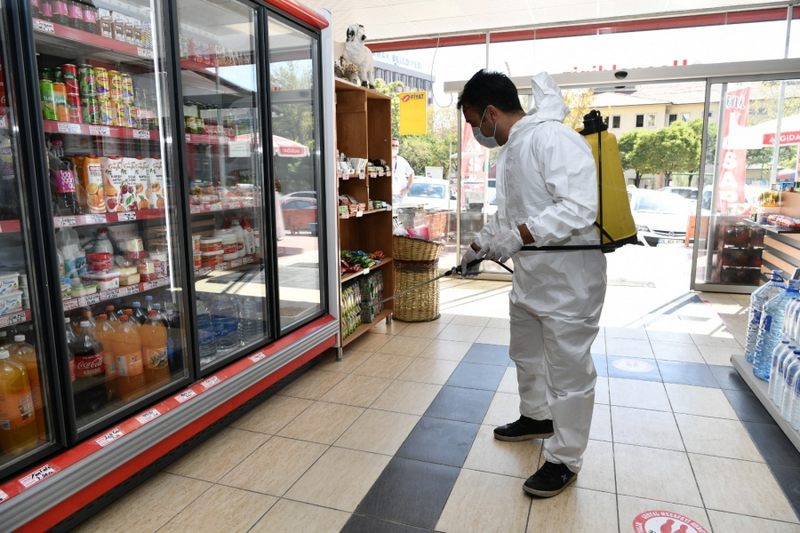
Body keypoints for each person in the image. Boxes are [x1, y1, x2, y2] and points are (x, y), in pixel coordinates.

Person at [458, 70, 607, 498]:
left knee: (569, 372)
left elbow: (579, 208)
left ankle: (565, 458)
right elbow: (511, 215)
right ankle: (536, 417)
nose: (475, 132)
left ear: (490, 112)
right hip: (531, 280)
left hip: (569, 283)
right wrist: (480, 244)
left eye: (473, 122)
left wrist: (520, 236)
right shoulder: (512, 150)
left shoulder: (552, 139)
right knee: (526, 354)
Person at [391, 137, 414, 204]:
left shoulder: (402, 160)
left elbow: (411, 174)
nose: (395, 147)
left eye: (396, 146)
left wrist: (407, 188)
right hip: (388, 195)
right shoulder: (384, 160)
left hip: (400, 195)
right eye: (393, 145)